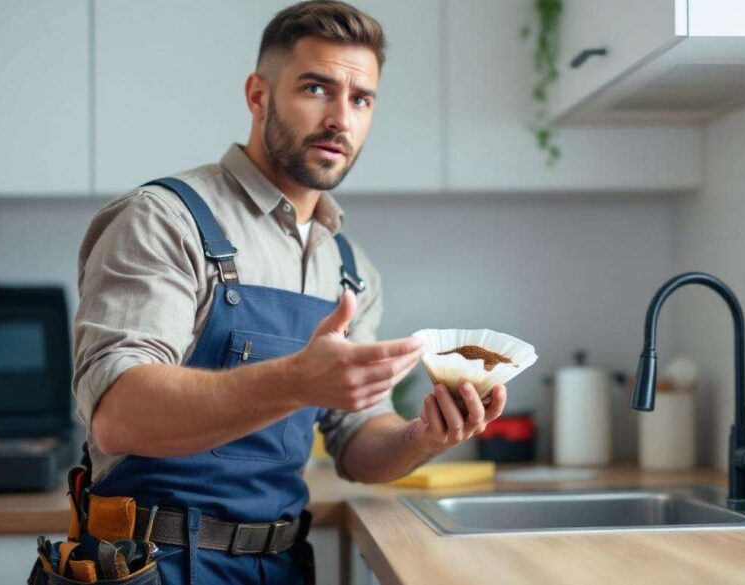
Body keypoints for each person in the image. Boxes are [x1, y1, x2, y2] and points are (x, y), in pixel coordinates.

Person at [70, 2, 507, 583]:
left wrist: (423, 436)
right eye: (316, 89)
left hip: (282, 566)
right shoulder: (163, 220)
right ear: (258, 95)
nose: (340, 120)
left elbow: (355, 441)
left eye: (361, 100)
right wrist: (297, 378)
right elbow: (118, 413)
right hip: (154, 565)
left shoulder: (349, 268)